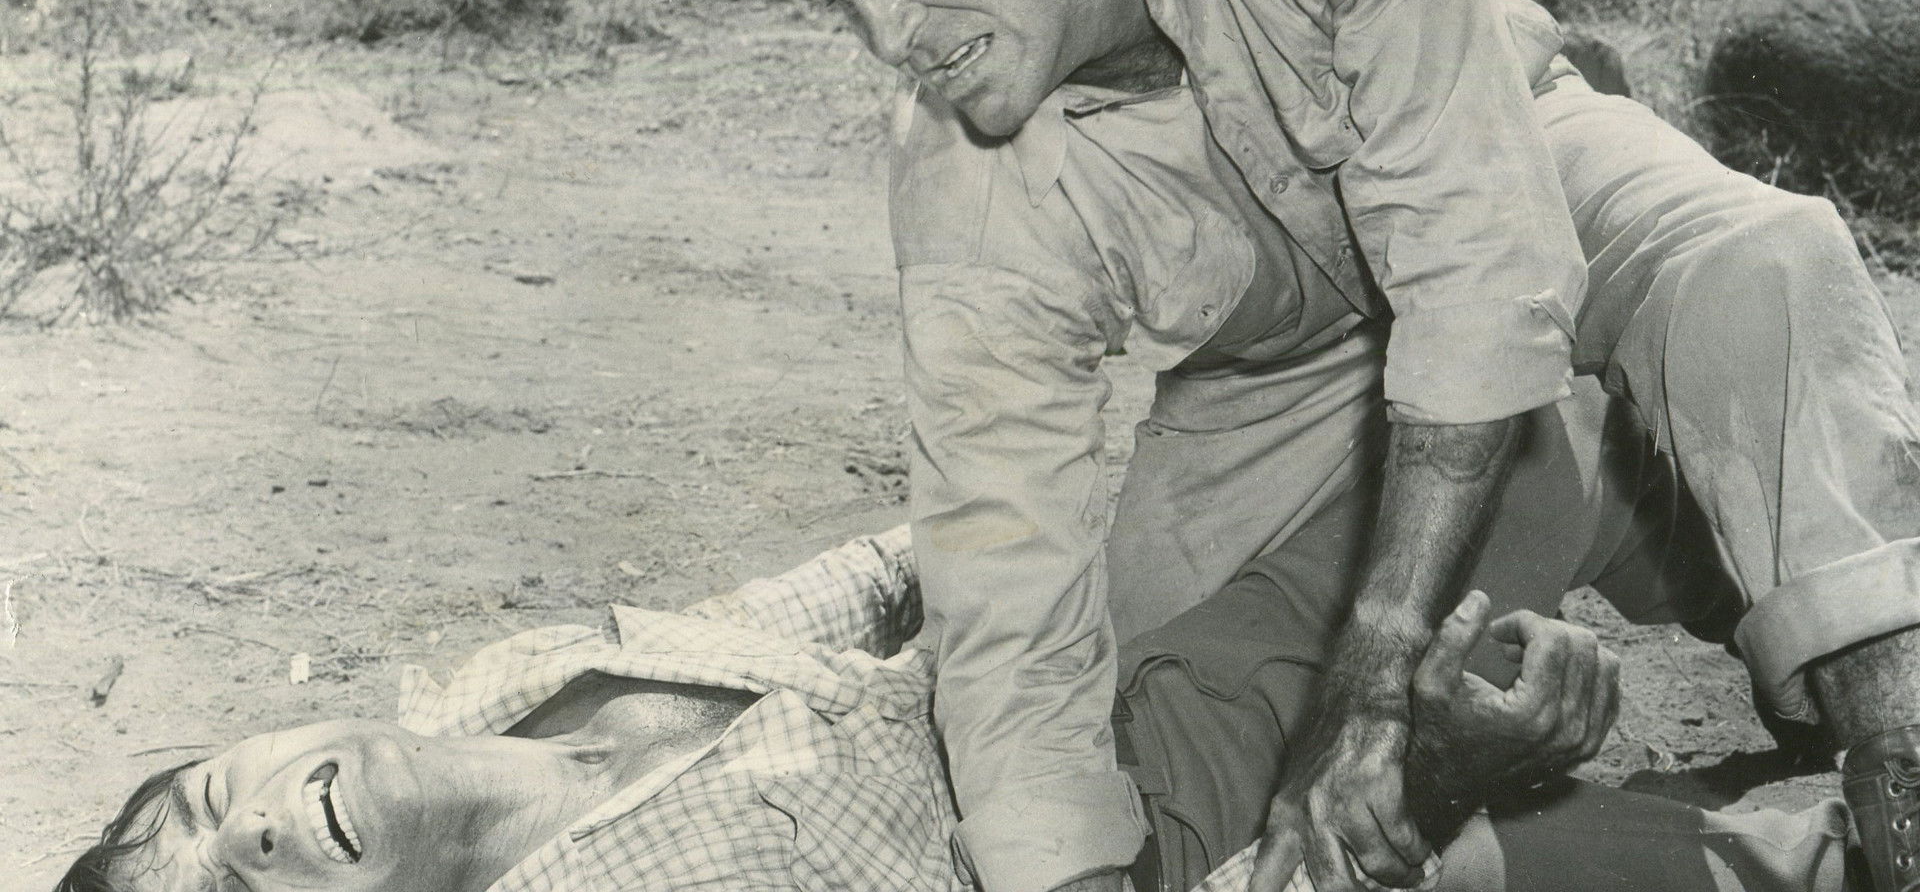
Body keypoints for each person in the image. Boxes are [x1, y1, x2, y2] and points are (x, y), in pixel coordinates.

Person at [649, 0, 1920, 892]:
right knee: (1149, 734)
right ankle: (1728, 699)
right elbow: (1002, 570)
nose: (889, 37)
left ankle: (1897, 755)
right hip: (1273, 384)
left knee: (1754, 261)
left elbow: (1477, 267)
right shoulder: (956, 179)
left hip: (1520, 170)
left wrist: (1372, 679)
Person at [57, 527, 1858, 892]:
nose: (257, 830)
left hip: (1080, 659)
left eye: (205, 805)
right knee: (1758, 860)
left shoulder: (500, 680)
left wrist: (1078, 499)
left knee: (1502, 413)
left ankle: (1829, 637)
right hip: (1173, 841)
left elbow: (849, 588)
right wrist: (1413, 788)